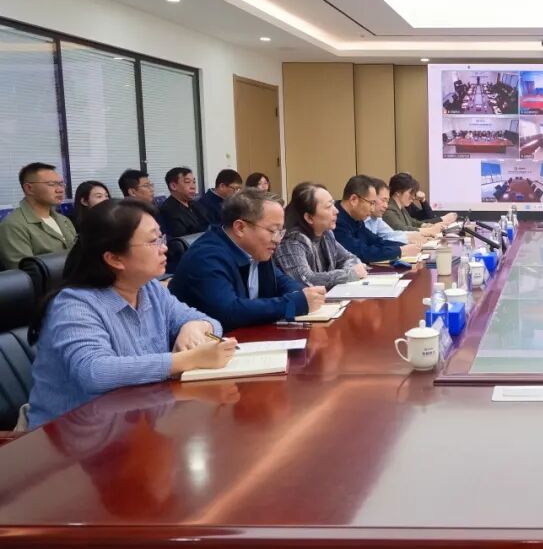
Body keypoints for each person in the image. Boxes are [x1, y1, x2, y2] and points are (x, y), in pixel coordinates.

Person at [26, 199, 235, 428]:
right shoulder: (74, 306)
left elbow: (209, 321)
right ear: (114, 258)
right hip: (72, 436)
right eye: (153, 241)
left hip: (138, 424)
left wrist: (194, 327)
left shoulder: (150, 288)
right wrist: (188, 359)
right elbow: (95, 372)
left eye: (161, 237)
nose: (164, 247)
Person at [170, 189, 325, 331]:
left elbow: (282, 282)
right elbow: (229, 312)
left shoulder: (256, 249)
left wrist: (301, 294)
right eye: (273, 230)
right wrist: (294, 304)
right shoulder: (206, 257)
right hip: (210, 345)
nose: (278, 239)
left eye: (281, 231)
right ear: (240, 228)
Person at [273, 181, 367, 288]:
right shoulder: (291, 241)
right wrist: (348, 274)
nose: (336, 211)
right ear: (309, 217)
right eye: (329, 206)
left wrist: (353, 270)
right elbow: (305, 279)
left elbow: (350, 258)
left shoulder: (326, 234)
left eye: (333, 204)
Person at [0, 162, 77, 270]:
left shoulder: (64, 220)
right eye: (51, 184)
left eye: (61, 184)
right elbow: (25, 273)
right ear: (29, 188)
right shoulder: (13, 226)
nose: (60, 190)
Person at [335, 175, 412, 263]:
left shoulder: (356, 219)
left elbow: (376, 241)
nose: (372, 209)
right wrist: (400, 251)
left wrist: (405, 247)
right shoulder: (336, 221)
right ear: (353, 200)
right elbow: (361, 252)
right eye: (371, 203)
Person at [384, 172, 456, 234]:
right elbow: (401, 229)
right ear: (398, 192)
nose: (413, 197)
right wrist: (430, 230)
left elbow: (412, 222)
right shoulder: (389, 208)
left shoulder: (401, 208)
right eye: (411, 193)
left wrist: (430, 226)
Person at [366, 178, 424, 248]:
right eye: (383, 200)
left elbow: (390, 234)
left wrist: (413, 236)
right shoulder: (389, 210)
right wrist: (401, 250)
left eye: (387, 201)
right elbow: (372, 246)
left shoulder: (377, 219)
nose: (386, 206)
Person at [159, 166, 208, 239]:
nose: (193, 187)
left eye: (194, 182)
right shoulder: (168, 211)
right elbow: (183, 239)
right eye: (187, 182)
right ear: (173, 186)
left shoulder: (195, 204)